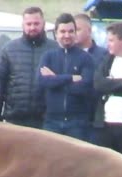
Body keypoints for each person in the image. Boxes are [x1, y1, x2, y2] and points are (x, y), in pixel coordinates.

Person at [0, 6, 55, 127]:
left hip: (46, 120)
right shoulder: (9, 49)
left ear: (43, 24)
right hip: (15, 119)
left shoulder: (55, 49)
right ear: (23, 25)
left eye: (36, 23)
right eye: (29, 24)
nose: (32, 27)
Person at [38, 12, 94, 140]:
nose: (67, 35)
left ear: (75, 33)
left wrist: (55, 78)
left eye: (71, 31)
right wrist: (69, 78)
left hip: (77, 124)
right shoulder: (48, 57)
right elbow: (43, 82)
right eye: (63, 31)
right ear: (56, 33)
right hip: (51, 122)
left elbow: (84, 88)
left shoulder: (86, 59)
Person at [93, 21, 122, 153]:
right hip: (106, 121)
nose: (108, 44)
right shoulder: (108, 59)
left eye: (111, 40)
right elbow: (98, 83)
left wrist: (111, 83)